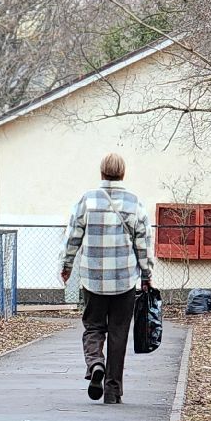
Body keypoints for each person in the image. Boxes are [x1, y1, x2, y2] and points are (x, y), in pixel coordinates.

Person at [59, 153, 152, 405]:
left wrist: (67, 265)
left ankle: (95, 364)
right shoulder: (134, 203)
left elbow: (72, 237)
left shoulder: (87, 200)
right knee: (119, 333)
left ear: (101, 172)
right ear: (123, 173)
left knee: (93, 327)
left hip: (93, 278)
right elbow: (143, 244)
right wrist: (146, 274)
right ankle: (112, 390)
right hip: (124, 280)